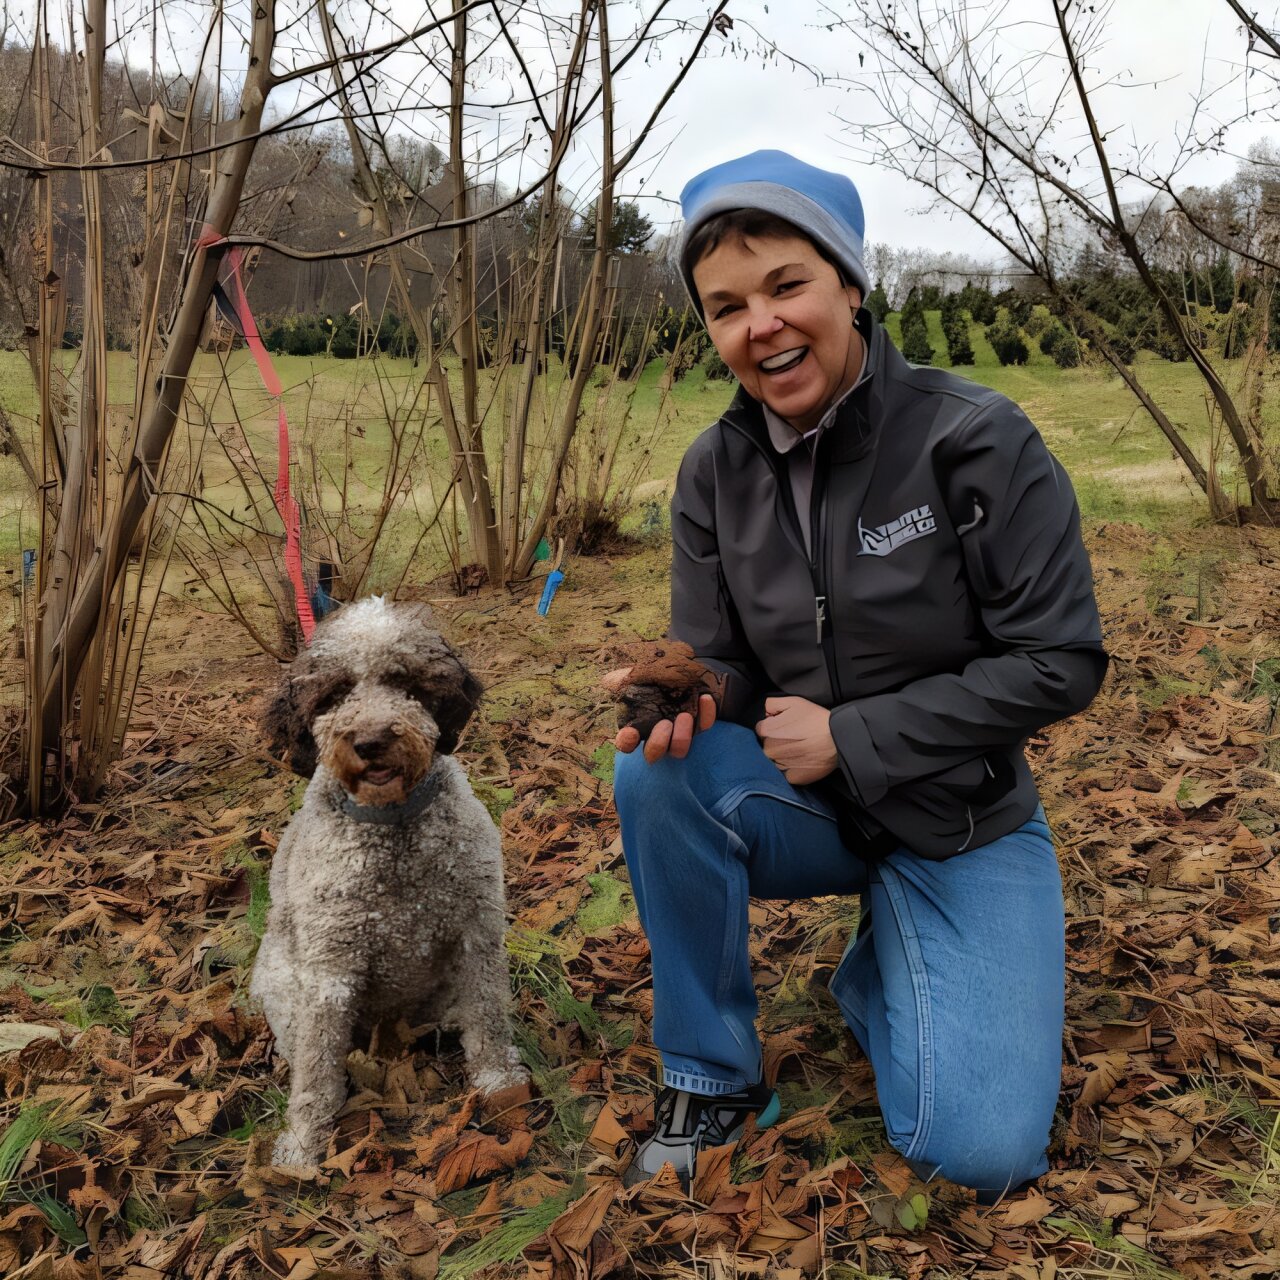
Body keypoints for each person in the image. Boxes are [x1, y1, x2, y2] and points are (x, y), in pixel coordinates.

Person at [608, 150, 1107, 1203]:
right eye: (726, 306)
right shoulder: (714, 469)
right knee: (657, 775)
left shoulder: (974, 439)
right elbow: (728, 662)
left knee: (973, 1152)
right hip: (811, 807)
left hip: (959, 816)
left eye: (785, 284)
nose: (761, 326)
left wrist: (856, 733)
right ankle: (710, 1074)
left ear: (848, 281)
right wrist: (685, 687)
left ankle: (892, 960)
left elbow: (1058, 659)